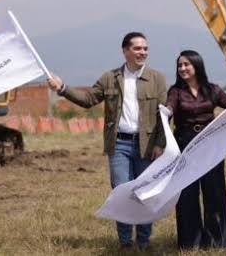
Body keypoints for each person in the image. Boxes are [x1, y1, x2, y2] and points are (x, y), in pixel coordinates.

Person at [47, 31, 166, 251]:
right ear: (125, 51)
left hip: (147, 145)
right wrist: (62, 88)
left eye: (145, 49)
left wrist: (160, 143)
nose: (143, 52)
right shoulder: (110, 78)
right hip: (119, 145)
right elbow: (88, 99)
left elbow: (164, 115)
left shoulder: (157, 78)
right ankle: (125, 242)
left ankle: (143, 241)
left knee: (145, 193)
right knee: (121, 193)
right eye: (138, 48)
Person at [165, 50, 226, 249]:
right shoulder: (175, 91)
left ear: (197, 65)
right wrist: (165, 112)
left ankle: (218, 241)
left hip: (211, 146)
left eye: (186, 64)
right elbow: (169, 109)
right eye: (180, 65)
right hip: (185, 145)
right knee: (187, 193)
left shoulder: (213, 90)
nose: (182, 68)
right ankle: (190, 243)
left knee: (215, 192)